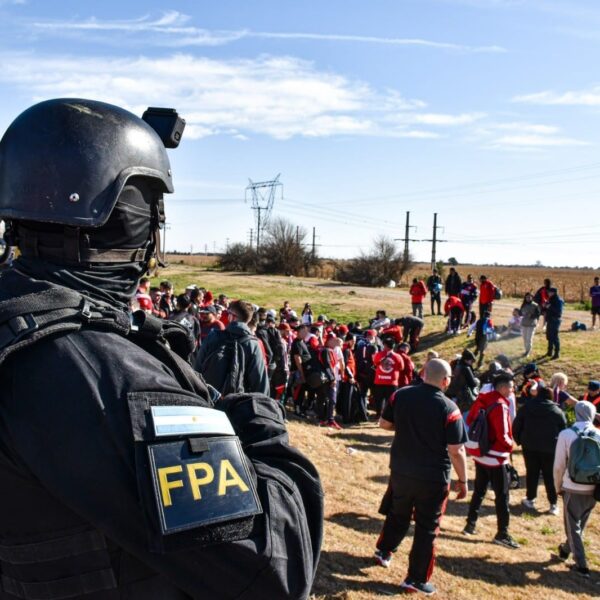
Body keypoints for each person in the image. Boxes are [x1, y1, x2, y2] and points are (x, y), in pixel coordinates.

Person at [0, 98, 322, 598]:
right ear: (141, 224)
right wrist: (254, 417)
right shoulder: (107, 378)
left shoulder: (16, 319)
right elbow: (273, 571)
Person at [374, 359, 468, 596]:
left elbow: (384, 424)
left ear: (424, 373)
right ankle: (415, 578)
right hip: (432, 477)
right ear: (445, 381)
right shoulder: (450, 408)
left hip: (401, 469)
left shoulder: (401, 395)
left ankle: (384, 550)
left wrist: (407, 428)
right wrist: (463, 480)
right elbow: (456, 450)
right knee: (427, 528)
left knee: (398, 512)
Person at [464, 371, 519, 548]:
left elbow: (471, 418)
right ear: (502, 387)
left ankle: (470, 524)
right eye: (511, 387)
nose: (513, 390)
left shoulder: (483, 399)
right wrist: (511, 445)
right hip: (496, 457)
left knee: (479, 491)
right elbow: (503, 433)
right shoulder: (501, 404)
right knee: (502, 496)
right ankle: (502, 533)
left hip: (481, 454)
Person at [553, 401, 599, 578]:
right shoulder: (598, 434)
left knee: (572, 527)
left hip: (573, 486)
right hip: (594, 486)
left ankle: (581, 565)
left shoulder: (566, 434)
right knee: (579, 524)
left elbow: (559, 465)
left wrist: (558, 486)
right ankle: (565, 550)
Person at [513, 385, 567, 515]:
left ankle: (530, 499)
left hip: (530, 446)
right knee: (550, 476)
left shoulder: (526, 408)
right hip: (550, 448)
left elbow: (516, 425)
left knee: (532, 473)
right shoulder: (556, 411)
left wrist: (519, 440)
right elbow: (563, 430)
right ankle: (553, 504)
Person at [372, 337, 405, 417]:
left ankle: (378, 416)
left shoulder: (379, 355)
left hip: (379, 381)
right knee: (391, 401)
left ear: (385, 345)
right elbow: (401, 368)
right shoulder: (398, 356)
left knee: (378, 401)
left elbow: (375, 363)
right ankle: (390, 417)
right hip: (392, 382)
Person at [446, 349, 480, 419]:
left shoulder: (457, 365)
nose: (472, 363)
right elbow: (472, 384)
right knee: (466, 417)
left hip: (454, 394)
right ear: (466, 360)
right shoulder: (466, 368)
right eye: (471, 361)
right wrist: (477, 381)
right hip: (464, 398)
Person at [520, 292, 541, 358]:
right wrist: (520, 313)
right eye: (527, 297)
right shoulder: (523, 305)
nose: (528, 298)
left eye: (529, 297)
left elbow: (538, 314)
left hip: (531, 324)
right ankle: (526, 350)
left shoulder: (535, 305)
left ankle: (527, 352)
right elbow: (520, 313)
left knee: (529, 339)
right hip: (524, 323)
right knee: (525, 338)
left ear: (532, 297)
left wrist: (532, 315)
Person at [545, 287, 564, 359]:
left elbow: (558, 311)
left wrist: (549, 306)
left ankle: (556, 353)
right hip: (550, 319)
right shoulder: (551, 299)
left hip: (555, 320)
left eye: (549, 292)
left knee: (554, 337)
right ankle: (549, 351)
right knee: (549, 336)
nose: (548, 293)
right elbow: (548, 307)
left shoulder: (558, 300)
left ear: (553, 292)